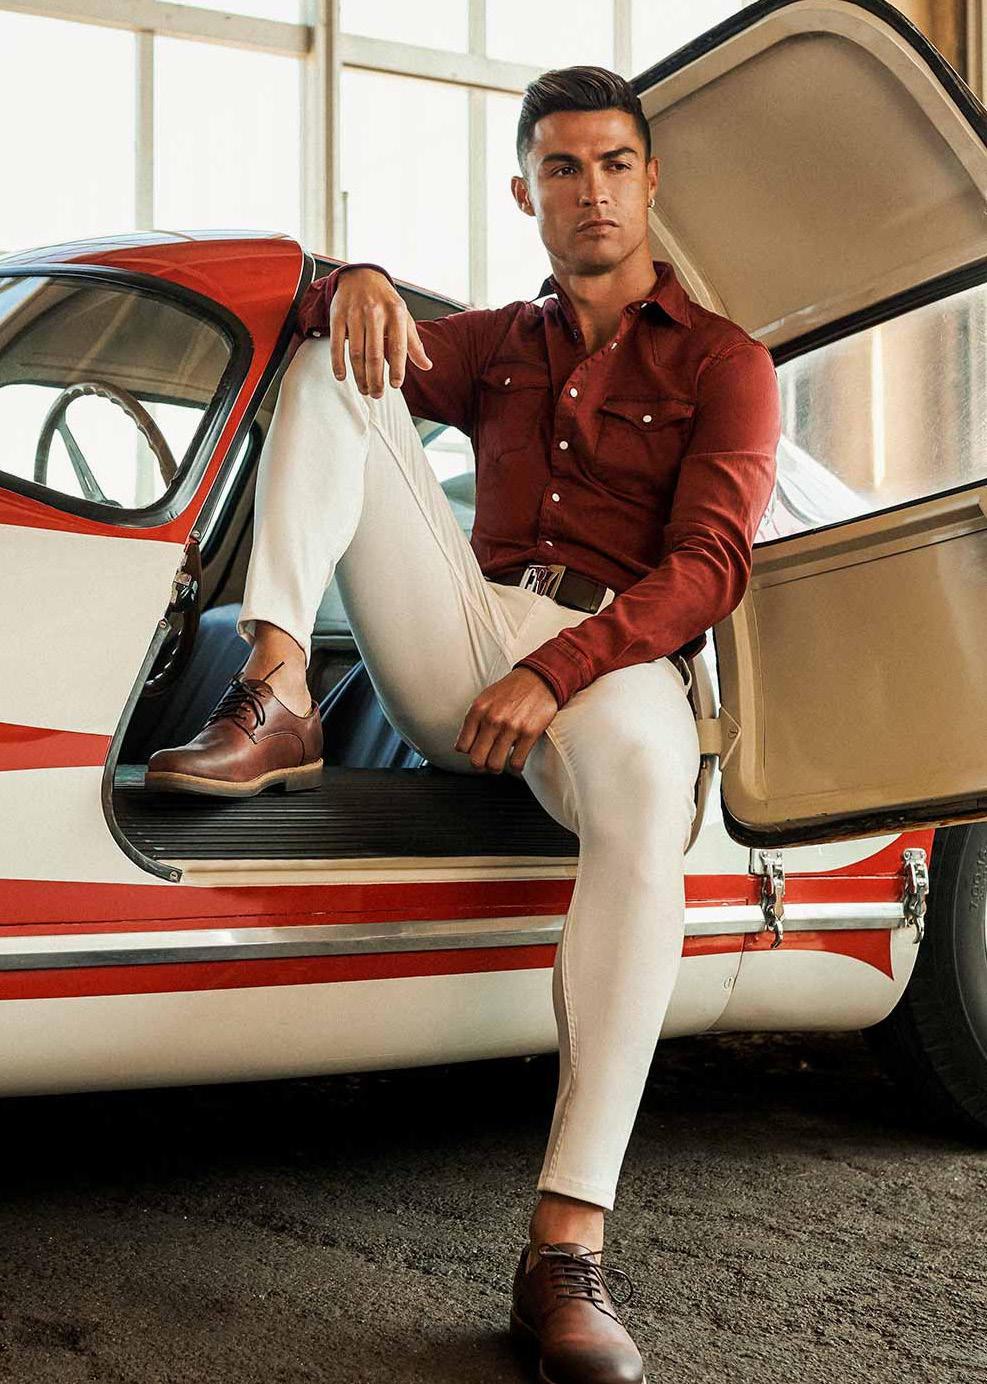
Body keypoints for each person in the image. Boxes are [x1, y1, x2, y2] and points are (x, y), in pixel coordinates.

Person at [146, 65, 781, 1384]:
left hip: (617, 660)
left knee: (646, 812)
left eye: (615, 164)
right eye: (563, 167)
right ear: (524, 193)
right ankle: (278, 689)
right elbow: (323, 337)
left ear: (651, 182)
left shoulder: (725, 361)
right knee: (339, 354)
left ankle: (566, 1249)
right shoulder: (494, 341)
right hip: (465, 632)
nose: (592, 190)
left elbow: (711, 565)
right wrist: (354, 280)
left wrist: (562, 669)